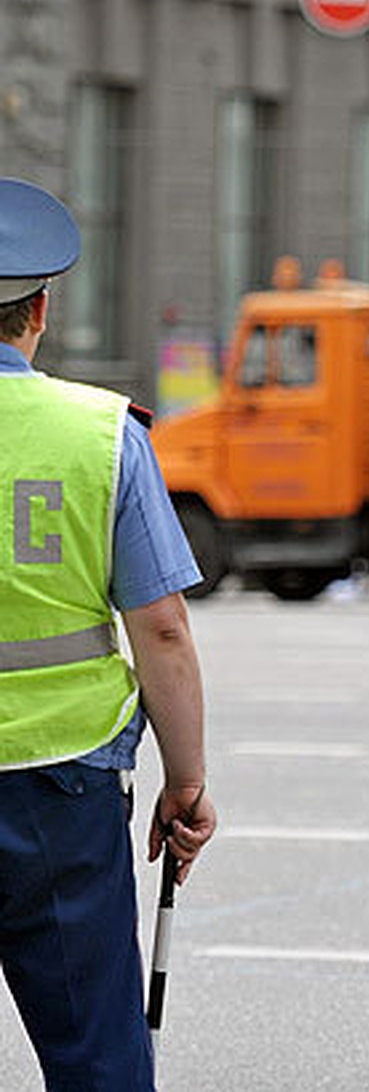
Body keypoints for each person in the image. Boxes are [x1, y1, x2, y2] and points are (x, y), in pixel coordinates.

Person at [0, 178, 216, 1090]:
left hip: (62, 777)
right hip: (62, 782)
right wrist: (188, 779)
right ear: (40, 309)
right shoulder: (101, 435)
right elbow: (160, 629)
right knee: (96, 1056)